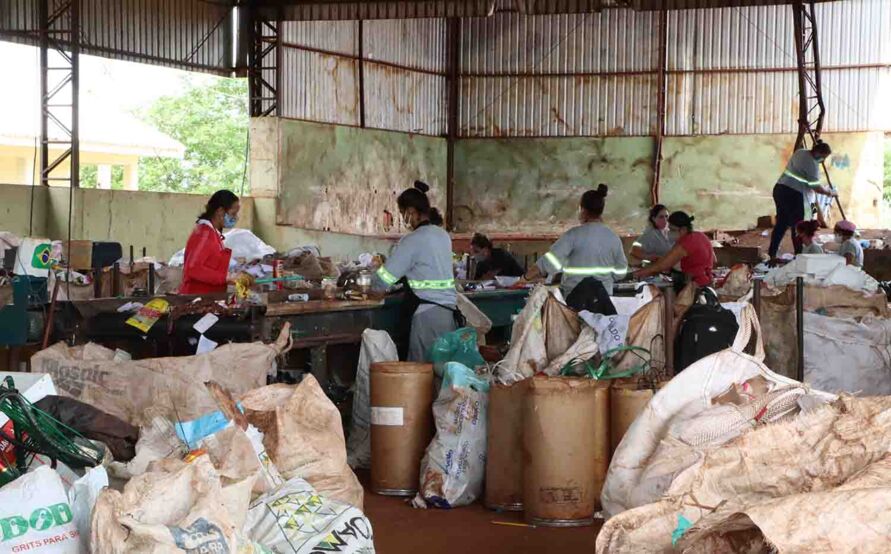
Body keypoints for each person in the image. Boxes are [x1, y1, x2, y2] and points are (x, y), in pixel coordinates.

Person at [373, 181, 459, 362]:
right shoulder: (442, 236)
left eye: (403, 213)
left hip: (426, 316)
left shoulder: (412, 240)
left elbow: (384, 279)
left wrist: (368, 285)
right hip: (448, 314)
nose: (404, 218)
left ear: (411, 211)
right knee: (442, 372)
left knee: (421, 375)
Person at [522, 184, 627, 297]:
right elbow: (621, 273)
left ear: (582, 209)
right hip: (604, 301)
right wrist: (604, 278)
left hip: (575, 300)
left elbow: (549, 263)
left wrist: (524, 279)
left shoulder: (573, 235)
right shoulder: (613, 237)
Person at [769, 141, 837, 261]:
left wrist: (814, 212)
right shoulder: (812, 165)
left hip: (780, 189)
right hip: (793, 194)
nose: (823, 160)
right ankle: (799, 255)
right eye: (824, 157)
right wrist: (829, 193)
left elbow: (812, 198)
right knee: (797, 226)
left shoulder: (800, 152)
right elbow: (816, 188)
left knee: (782, 223)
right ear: (819, 153)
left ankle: (772, 254)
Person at [180, 190, 243, 295]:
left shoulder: (213, 233)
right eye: (233, 213)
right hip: (196, 298)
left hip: (209, 297)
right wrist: (226, 277)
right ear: (220, 211)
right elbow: (193, 269)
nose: (235, 218)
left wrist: (230, 276)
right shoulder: (204, 233)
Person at [634, 211, 715, 288]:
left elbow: (663, 264)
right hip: (707, 282)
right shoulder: (700, 236)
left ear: (683, 229)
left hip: (696, 285)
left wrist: (640, 273)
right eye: (669, 229)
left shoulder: (687, 242)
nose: (669, 232)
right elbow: (714, 259)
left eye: (672, 230)